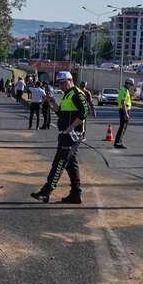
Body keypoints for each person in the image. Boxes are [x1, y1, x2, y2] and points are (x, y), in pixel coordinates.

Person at [31, 71, 90, 205]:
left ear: (70, 80)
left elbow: (85, 111)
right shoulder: (67, 95)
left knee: (59, 162)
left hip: (72, 135)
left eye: (63, 83)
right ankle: (76, 194)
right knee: (71, 165)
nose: (61, 86)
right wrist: (52, 103)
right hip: (64, 134)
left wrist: (72, 127)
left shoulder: (77, 94)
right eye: (59, 83)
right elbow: (61, 113)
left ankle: (46, 192)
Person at [115, 78, 133, 148]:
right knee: (123, 127)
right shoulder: (125, 90)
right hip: (124, 110)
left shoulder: (123, 90)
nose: (131, 86)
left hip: (123, 109)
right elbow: (123, 102)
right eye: (130, 85)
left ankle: (117, 142)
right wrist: (126, 114)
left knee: (122, 127)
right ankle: (118, 143)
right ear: (127, 83)